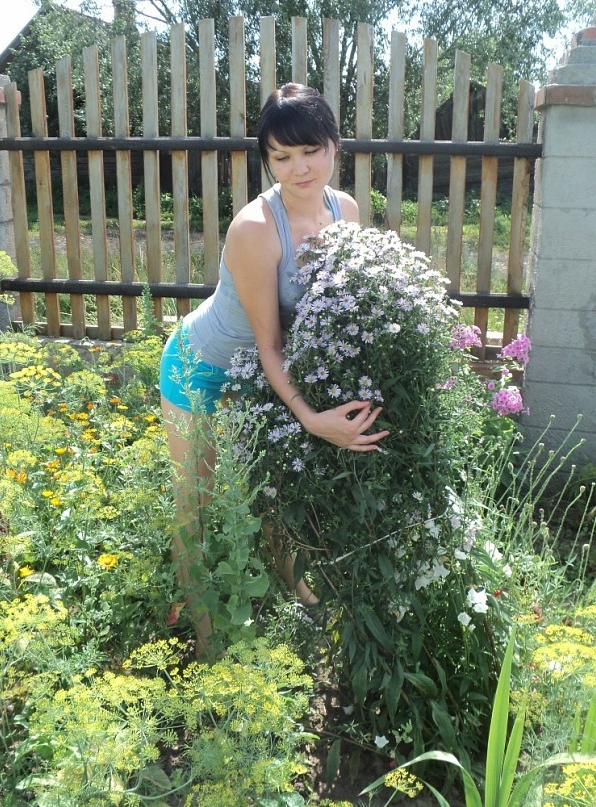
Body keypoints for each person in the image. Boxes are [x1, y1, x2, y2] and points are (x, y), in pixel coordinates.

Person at [159, 83, 389, 655]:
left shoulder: (345, 211)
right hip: (202, 367)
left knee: (273, 492)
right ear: (266, 161)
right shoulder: (255, 229)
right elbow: (269, 345)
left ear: (335, 146)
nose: (299, 168)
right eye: (282, 157)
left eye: (310, 151)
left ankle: (300, 596)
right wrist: (311, 417)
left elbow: (339, 309)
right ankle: (206, 635)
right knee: (196, 503)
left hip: (263, 377)